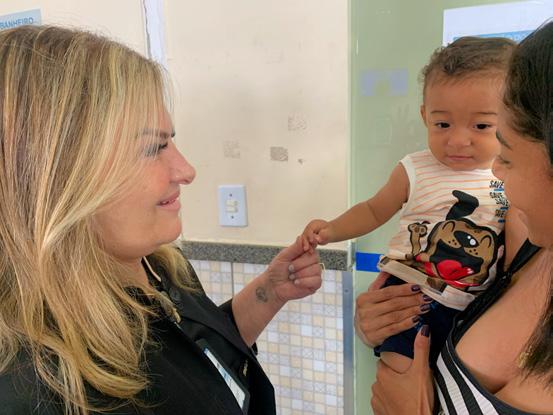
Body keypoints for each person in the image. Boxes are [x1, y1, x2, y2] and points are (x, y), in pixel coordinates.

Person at [0, 25, 322, 415]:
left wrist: (269, 292)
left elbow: (193, 356)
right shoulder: (37, 387)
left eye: (171, 140)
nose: (186, 170)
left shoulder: (160, 266)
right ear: (59, 177)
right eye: (155, 147)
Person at [362, 21, 553, 415]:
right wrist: (382, 321)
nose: (494, 172)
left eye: (507, 156)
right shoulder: (524, 245)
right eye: (443, 123)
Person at [301, 36, 516, 372]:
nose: (458, 140)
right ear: (424, 115)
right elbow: (373, 209)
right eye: (442, 124)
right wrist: (332, 230)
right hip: (408, 289)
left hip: (472, 303)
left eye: (481, 126)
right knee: (400, 371)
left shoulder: (509, 176)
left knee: (455, 378)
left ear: (514, 119)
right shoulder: (415, 168)